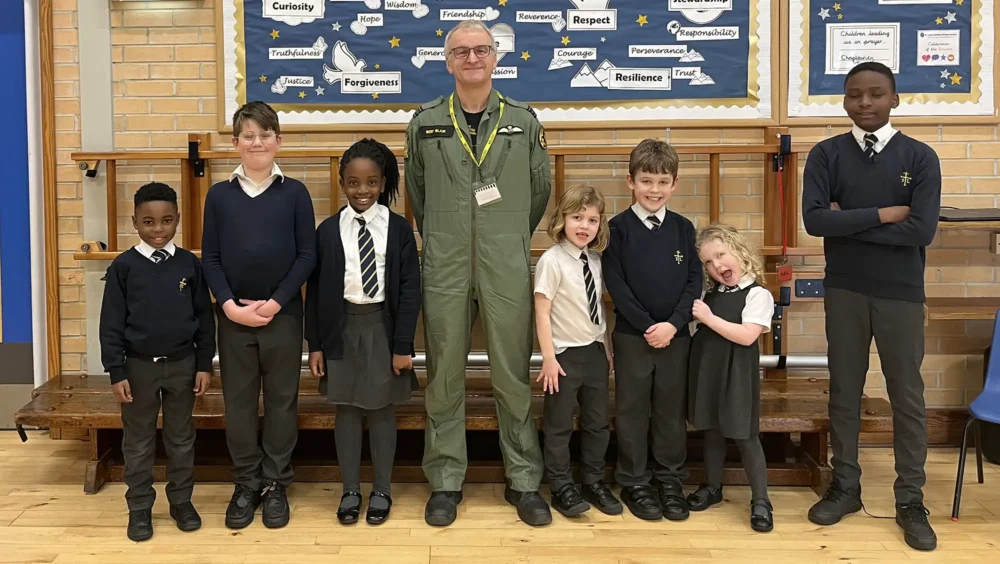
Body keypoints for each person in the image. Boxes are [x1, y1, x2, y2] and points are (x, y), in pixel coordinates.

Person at [404, 19, 552, 527]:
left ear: (496, 57)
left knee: (511, 374)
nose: (472, 58)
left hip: (505, 263)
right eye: (461, 51)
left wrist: (505, 237)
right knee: (444, 374)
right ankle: (446, 480)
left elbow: (537, 194)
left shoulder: (523, 121)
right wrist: (448, 235)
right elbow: (418, 196)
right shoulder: (425, 123)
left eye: (481, 49)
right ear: (447, 62)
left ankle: (524, 480)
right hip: (444, 263)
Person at [801, 61, 941, 551]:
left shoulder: (920, 158)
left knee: (907, 396)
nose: (865, 103)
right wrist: (885, 214)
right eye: (855, 94)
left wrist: (850, 223)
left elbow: (921, 230)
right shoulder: (826, 155)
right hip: (845, 289)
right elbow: (815, 222)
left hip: (901, 292)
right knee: (844, 390)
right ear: (844, 100)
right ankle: (846, 486)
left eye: (876, 94)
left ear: (895, 99)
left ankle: (910, 499)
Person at [202, 101, 317, 530]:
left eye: (265, 135)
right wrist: (230, 305)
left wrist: (276, 302)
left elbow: (307, 256)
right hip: (233, 317)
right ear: (235, 143)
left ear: (278, 141)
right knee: (240, 403)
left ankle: (275, 484)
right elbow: (210, 259)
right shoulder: (220, 195)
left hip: (282, 315)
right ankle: (246, 482)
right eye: (248, 136)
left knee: (283, 401)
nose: (257, 142)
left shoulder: (294, 193)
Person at [305, 139, 420, 526]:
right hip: (342, 329)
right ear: (341, 183)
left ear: (383, 182)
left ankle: (383, 488)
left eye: (371, 182)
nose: (362, 190)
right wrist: (315, 345)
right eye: (353, 182)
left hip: (382, 331)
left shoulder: (399, 229)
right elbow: (316, 292)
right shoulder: (327, 231)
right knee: (348, 413)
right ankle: (351, 489)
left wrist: (403, 345)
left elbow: (409, 292)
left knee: (382, 410)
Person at [99, 182, 215, 541]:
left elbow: (203, 318)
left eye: (166, 220)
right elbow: (111, 322)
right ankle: (139, 508)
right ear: (134, 221)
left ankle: (181, 501)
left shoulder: (189, 265)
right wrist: (116, 370)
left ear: (177, 219)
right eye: (148, 222)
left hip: (182, 366)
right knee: (138, 442)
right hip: (138, 368)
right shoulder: (124, 267)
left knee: (181, 439)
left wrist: (203, 364)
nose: (158, 229)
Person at [602, 138, 702, 521]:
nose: (654, 190)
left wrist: (674, 324)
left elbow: (694, 281)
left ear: (674, 184)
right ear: (630, 181)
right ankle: (634, 482)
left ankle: (670, 480)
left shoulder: (682, 228)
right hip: (633, 337)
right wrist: (648, 327)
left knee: (670, 413)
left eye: (662, 182)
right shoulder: (617, 229)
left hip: (676, 338)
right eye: (646, 181)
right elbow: (617, 286)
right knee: (632, 410)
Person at [534, 184, 623, 518]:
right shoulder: (552, 261)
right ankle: (560, 485)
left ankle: (593, 480)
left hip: (595, 353)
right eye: (577, 217)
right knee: (558, 424)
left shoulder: (595, 260)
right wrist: (549, 358)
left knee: (598, 423)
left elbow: (597, 308)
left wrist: (607, 349)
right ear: (562, 219)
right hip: (564, 356)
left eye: (592, 219)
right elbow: (542, 312)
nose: (584, 226)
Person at [688, 224, 775, 533]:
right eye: (708, 262)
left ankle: (761, 500)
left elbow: (747, 335)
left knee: (745, 434)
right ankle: (712, 486)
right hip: (708, 368)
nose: (717, 266)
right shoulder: (710, 294)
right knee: (711, 429)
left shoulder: (758, 294)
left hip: (737, 371)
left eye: (721, 256)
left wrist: (709, 319)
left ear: (739, 251)